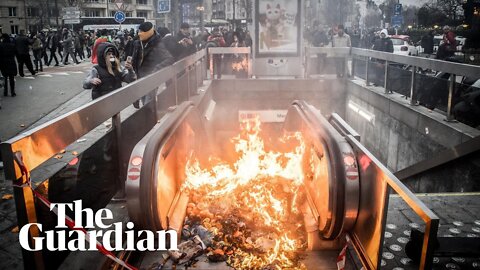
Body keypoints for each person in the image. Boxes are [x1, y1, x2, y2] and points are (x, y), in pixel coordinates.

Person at [131, 22, 174, 107]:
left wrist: (156, 69)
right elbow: (135, 60)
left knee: (148, 104)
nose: (139, 33)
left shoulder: (158, 44)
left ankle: (150, 119)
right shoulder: (137, 43)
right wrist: (131, 65)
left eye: (142, 31)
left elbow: (170, 58)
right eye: (139, 31)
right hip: (139, 78)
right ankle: (148, 118)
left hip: (151, 79)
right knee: (144, 102)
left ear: (149, 32)